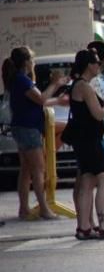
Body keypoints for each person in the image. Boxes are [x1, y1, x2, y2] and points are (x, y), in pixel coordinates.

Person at [3, 47, 67, 220]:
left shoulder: (19, 80)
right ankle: (44, 208)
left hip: (22, 128)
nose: (34, 63)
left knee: (26, 170)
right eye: (32, 59)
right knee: (39, 170)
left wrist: (58, 100)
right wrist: (55, 83)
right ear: (26, 62)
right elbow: (41, 98)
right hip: (28, 129)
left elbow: (37, 101)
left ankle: (23, 208)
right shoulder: (23, 80)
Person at [68, 49, 104, 239]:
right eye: (95, 63)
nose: (98, 66)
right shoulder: (84, 86)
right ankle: (103, 225)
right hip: (89, 140)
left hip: (84, 139)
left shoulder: (80, 85)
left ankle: (84, 227)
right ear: (88, 66)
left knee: (87, 180)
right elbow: (99, 113)